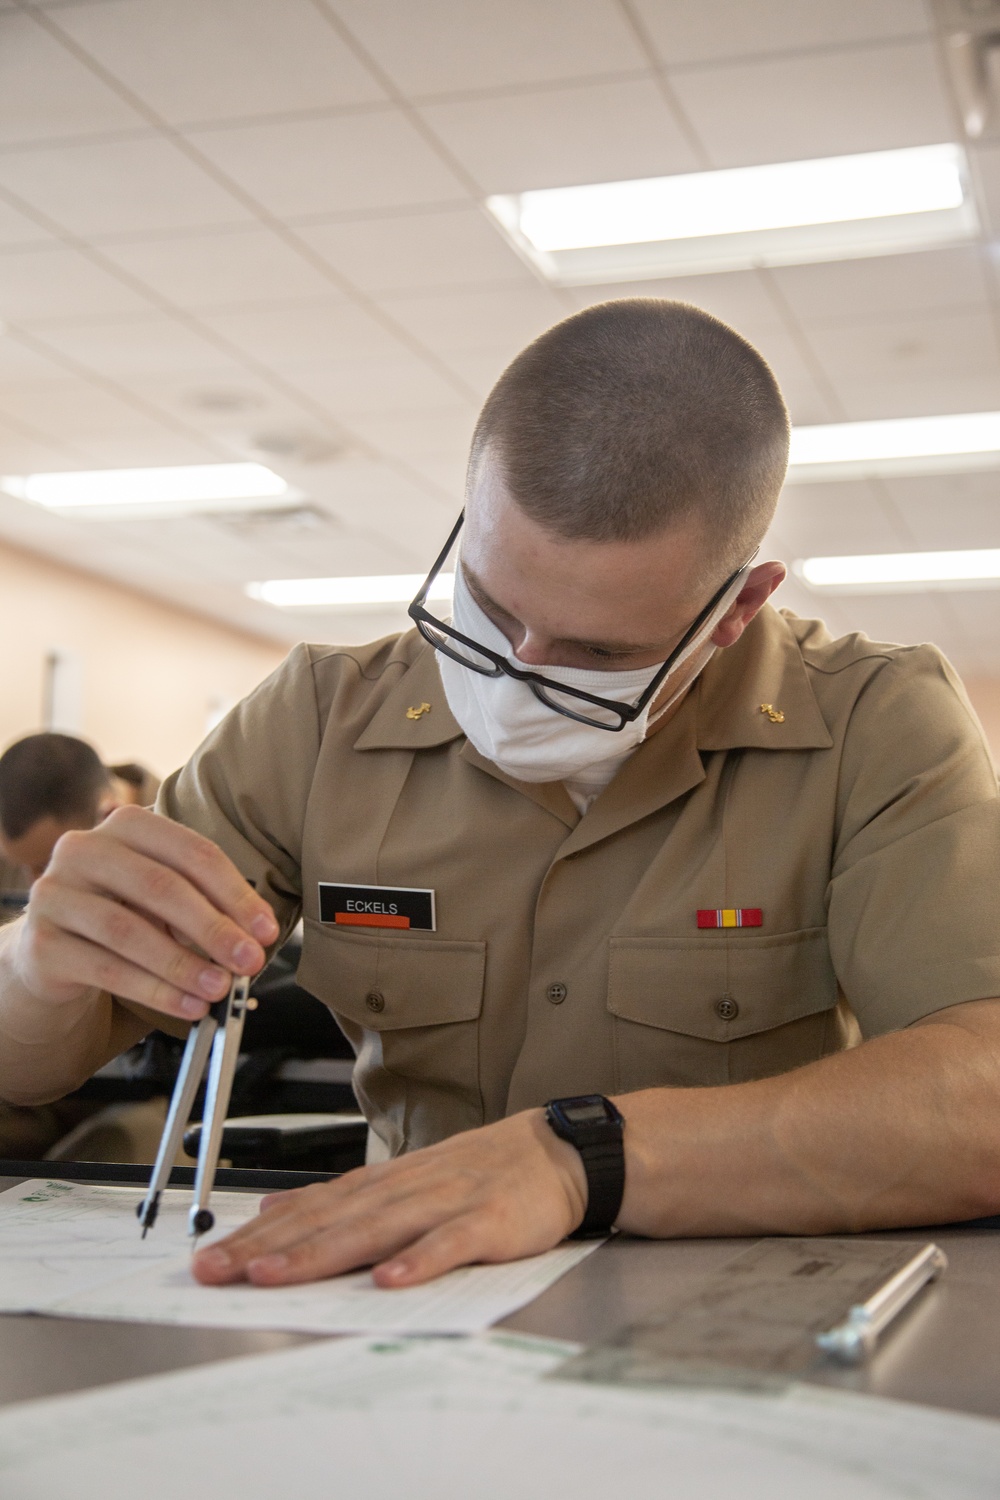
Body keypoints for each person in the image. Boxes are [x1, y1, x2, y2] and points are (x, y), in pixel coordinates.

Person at [1, 299, 999, 1293]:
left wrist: (583, 1159)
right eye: (489, 605)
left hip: (733, 1302)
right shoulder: (316, 718)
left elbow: (981, 1095)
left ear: (735, 608)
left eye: (597, 655)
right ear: (467, 519)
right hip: (399, 1296)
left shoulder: (878, 724)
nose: (518, 672)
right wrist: (37, 966)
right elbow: (31, 1066)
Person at [0, 733, 123, 881]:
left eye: (47, 867)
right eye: (20, 867)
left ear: (109, 815)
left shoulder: (158, 836)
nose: (37, 887)